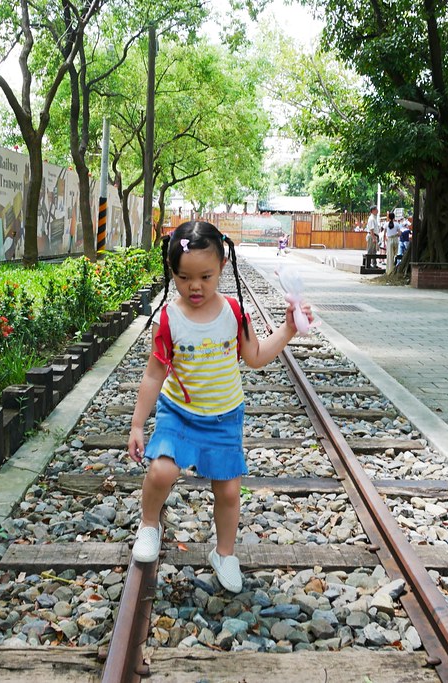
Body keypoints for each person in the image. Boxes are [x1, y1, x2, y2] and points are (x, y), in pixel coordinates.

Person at [128, 220, 313, 592]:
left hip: (225, 417)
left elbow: (256, 355)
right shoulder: (168, 319)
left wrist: (289, 329)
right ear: (172, 273)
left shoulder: (234, 313)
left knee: (228, 491)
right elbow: (153, 375)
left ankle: (224, 553)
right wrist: (136, 425)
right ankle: (150, 523)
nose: (195, 286)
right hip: (178, 413)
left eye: (206, 276)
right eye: (183, 278)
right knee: (162, 471)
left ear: (223, 267)